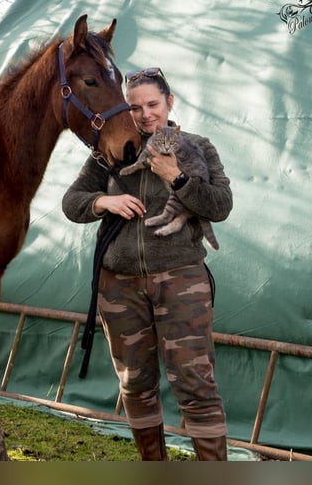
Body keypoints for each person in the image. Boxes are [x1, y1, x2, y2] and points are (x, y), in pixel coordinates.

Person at [61, 67, 233, 461]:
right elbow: (72, 203)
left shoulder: (196, 146)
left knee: (196, 386)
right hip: (119, 286)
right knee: (135, 386)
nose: (145, 114)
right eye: (135, 107)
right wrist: (104, 202)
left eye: (153, 104)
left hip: (181, 282)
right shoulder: (112, 148)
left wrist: (177, 179)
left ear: (169, 102)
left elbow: (220, 206)